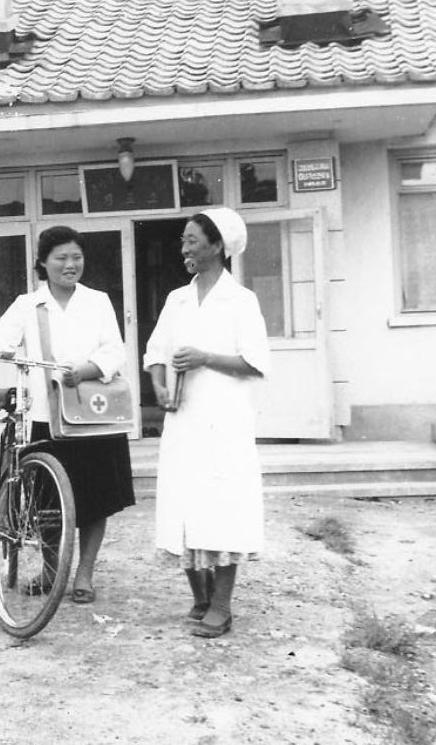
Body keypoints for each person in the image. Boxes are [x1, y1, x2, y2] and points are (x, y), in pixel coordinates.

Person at [0, 225, 135, 604]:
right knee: (47, 501)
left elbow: (115, 351)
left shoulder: (97, 301)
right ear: (43, 263)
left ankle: (83, 574)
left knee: (96, 498)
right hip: (45, 416)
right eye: (61, 258)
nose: (70, 265)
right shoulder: (28, 305)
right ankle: (51, 571)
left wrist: (86, 368)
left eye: (76, 257)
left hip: (93, 414)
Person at [143, 207, 270, 638]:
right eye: (183, 239)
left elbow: (254, 362)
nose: (185, 247)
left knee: (223, 506)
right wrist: (159, 388)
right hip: (183, 420)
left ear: (218, 246)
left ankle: (222, 604)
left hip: (224, 421)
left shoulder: (241, 301)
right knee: (184, 503)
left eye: (193, 239)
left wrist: (204, 357)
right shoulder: (176, 299)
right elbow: (154, 352)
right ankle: (199, 597)